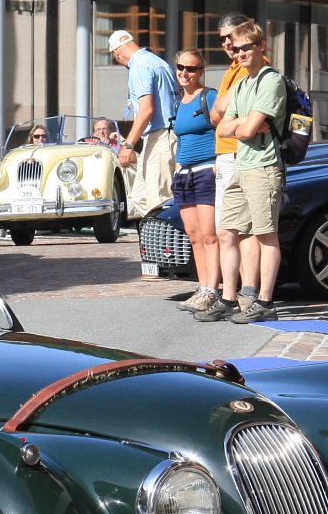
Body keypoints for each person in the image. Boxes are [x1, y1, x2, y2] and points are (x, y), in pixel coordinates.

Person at [199, 21, 287, 325]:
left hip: (264, 165)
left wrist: (242, 124)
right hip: (242, 163)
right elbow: (222, 127)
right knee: (228, 231)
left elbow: (248, 130)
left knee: (265, 234)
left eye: (246, 47)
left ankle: (265, 301)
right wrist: (242, 122)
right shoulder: (242, 84)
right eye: (236, 49)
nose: (240, 53)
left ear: (261, 46)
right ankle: (228, 298)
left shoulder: (270, 81)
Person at [107, 30, 178, 220]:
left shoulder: (139, 65)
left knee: (158, 201)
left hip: (160, 136)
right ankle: (159, 233)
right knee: (140, 196)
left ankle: (167, 237)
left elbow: (146, 110)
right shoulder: (159, 62)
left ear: (116, 53)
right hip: (165, 134)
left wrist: (128, 145)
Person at [168, 50, 219, 309]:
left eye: (191, 69)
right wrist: (177, 169)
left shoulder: (208, 97)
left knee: (210, 234)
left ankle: (213, 290)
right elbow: (181, 139)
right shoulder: (179, 103)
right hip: (184, 173)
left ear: (201, 71)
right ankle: (202, 287)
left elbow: (223, 129)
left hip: (206, 169)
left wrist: (220, 161)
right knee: (193, 234)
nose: (185, 73)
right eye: (181, 67)